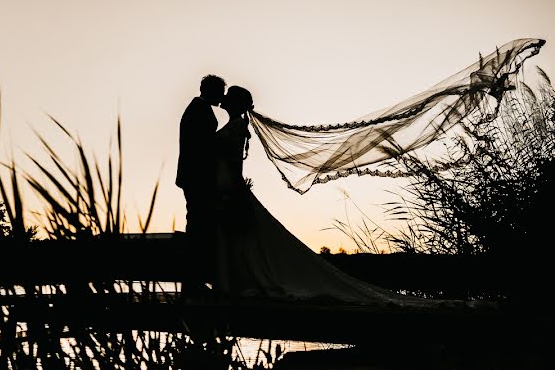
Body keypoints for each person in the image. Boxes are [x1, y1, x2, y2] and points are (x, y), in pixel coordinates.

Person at [212, 85, 464, 307]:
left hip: (230, 189)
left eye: (228, 98)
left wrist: (231, 190)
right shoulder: (238, 126)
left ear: (235, 103)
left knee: (243, 238)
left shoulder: (235, 127)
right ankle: (237, 282)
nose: (223, 100)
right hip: (230, 187)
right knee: (244, 240)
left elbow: (233, 164)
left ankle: (238, 283)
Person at [176, 74, 225, 297]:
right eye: (220, 91)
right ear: (211, 90)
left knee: (199, 224)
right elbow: (202, 146)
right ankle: (193, 281)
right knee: (198, 225)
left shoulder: (198, 108)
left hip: (195, 176)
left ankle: (195, 279)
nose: (223, 96)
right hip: (198, 176)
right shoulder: (199, 110)